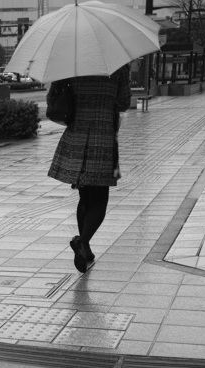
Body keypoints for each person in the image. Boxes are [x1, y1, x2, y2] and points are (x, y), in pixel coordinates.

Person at [47, 64, 131, 273]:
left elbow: (53, 98)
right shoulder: (117, 66)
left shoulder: (71, 63)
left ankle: (86, 248)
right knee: (100, 200)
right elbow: (124, 102)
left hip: (76, 138)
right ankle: (82, 242)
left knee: (85, 198)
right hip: (103, 138)